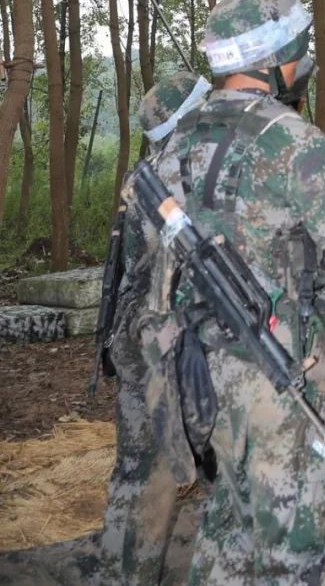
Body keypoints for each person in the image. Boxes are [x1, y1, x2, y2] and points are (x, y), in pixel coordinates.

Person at [152, 0, 325, 586]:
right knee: (293, 544)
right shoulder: (286, 136)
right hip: (280, 374)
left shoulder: (179, 137)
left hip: (199, 371)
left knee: (230, 524)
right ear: (277, 56)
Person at [96, 69, 211, 586]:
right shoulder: (182, 176)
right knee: (159, 472)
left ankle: (113, 568)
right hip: (161, 342)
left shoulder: (146, 171)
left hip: (130, 335)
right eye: (203, 103)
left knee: (131, 467)